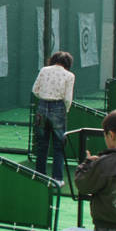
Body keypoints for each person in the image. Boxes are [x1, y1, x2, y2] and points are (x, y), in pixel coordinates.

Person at [32, 51, 75, 186]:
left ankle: (39, 176)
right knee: (58, 145)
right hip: (58, 108)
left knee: (42, 144)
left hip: (42, 107)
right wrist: (65, 110)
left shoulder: (44, 70)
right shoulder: (69, 75)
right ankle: (57, 179)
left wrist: (43, 99)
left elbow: (35, 90)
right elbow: (67, 98)